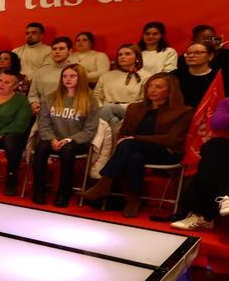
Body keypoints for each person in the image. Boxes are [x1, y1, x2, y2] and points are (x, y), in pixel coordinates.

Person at [82, 73, 192, 218]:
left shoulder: (183, 111)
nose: (152, 90)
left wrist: (135, 138)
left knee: (129, 145)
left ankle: (105, 183)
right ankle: (133, 200)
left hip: (165, 152)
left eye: (158, 87)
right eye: (150, 86)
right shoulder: (135, 108)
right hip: (134, 150)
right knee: (135, 157)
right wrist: (130, 140)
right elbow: (123, 133)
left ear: (170, 90)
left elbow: (171, 139)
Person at [172, 65, 229, 230]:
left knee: (207, 166)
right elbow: (217, 124)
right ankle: (224, 198)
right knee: (214, 146)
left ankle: (205, 215)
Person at [30, 64, 99, 206]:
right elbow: (43, 124)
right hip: (53, 139)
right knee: (41, 148)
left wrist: (69, 139)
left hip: (76, 141)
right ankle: (39, 191)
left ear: (81, 78)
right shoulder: (51, 98)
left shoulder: (90, 101)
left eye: (72, 76)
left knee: (67, 151)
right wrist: (52, 139)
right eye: (65, 76)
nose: (68, 79)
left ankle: (64, 193)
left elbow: (89, 130)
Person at [94, 44, 150, 126]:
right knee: (113, 120)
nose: (122, 57)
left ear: (137, 57)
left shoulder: (146, 76)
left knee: (108, 109)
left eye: (127, 54)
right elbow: (97, 96)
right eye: (120, 55)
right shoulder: (106, 75)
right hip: (106, 110)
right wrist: (102, 107)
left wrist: (117, 107)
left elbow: (145, 101)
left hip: (131, 110)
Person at [27, 36, 73, 115]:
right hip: (44, 114)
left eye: (61, 49)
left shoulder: (77, 71)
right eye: (54, 49)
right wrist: (34, 103)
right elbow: (32, 94)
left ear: (70, 51)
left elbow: (82, 97)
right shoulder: (41, 71)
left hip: (68, 114)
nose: (57, 51)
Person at [173, 40, 223, 108]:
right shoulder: (175, 76)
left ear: (210, 56)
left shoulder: (219, 76)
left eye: (197, 53)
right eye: (188, 53)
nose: (191, 56)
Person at [192, 24, 229, 93]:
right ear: (195, 40)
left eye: (212, 38)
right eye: (205, 38)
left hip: (222, 92)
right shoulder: (189, 56)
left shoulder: (227, 54)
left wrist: (217, 52)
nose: (208, 41)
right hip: (196, 92)